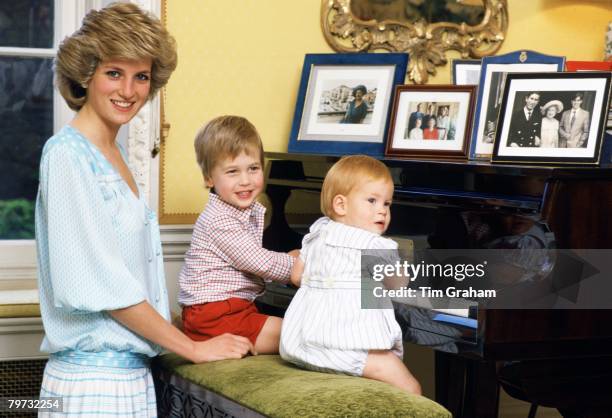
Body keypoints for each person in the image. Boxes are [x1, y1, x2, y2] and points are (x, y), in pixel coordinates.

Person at [35, 4, 254, 416]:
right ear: (87, 74)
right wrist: (192, 347)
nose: (129, 91)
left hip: (129, 378)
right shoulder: (66, 155)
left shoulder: (113, 153)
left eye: (142, 77)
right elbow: (103, 287)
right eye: (114, 73)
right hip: (92, 386)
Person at [280, 155, 421, 395]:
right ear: (341, 205)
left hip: (300, 344)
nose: (382, 211)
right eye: (372, 201)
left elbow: (296, 276)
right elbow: (397, 285)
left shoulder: (317, 233)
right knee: (411, 388)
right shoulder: (376, 246)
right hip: (348, 349)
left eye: (387, 204)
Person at [179, 115, 298, 354]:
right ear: (209, 178)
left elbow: (258, 260)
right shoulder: (220, 219)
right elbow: (259, 261)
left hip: (230, 309)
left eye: (253, 168)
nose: (246, 180)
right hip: (216, 315)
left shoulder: (239, 211)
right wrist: (296, 267)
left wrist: (290, 260)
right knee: (302, 334)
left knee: (304, 331)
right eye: (232, 171)